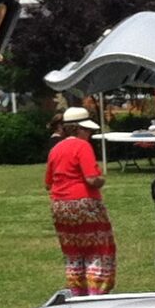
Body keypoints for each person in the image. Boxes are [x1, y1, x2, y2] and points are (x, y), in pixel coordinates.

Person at [45, 105, 115, 295]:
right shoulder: (82, 146)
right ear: (79, 129)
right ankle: (96, 293)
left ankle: (77, 293)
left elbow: (48, 183)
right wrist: (101, 180)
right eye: (88, 130)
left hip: (60, 206)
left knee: (73, 251)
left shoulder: (55, 149)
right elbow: (91, 179)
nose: (90, 134)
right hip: (85, 203)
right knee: (98, 249)